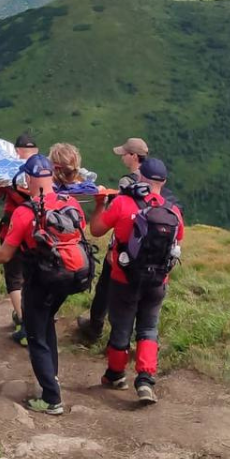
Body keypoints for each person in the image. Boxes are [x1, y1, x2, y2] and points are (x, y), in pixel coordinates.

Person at [0, 154, 94, 415]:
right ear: (51, 175)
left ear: (28, 179)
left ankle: (51, 399)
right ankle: (51, 378)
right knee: (46, 322)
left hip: (41, 280)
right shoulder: (71, 202)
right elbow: (80, 232)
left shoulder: (24, 212)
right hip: (71, 276)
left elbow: (5, 254)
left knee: (35, 334)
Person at [89, 157, 183, 405]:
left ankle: (115, 374)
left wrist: (99, 206)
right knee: (149, 328)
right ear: (163, 182)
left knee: (121, 327)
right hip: (157, 282)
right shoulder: (173, 212)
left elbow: (96, 230)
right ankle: (145, 380)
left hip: (123, 278)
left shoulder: (123, 203)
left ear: (141, 177)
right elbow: (176, 244)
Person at [76, 137, 149, 343]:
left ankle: (95, 327)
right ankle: (138, 337)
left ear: (133, 156)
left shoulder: (127, 181)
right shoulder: (153, 178)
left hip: (124, 245)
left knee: (105, 287)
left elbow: (123, 217)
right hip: (146, 246)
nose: (122, 157)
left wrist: (104, 203)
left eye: (124, 154)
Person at [0, 132, 38, 345]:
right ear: (36, 150)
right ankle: (39, 319)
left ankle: (24, 323)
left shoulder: (8, 167)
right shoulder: (43, 168)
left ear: (16, 151)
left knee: (14, 277)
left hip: (13, 226)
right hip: (40, 229)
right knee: (36, 275)